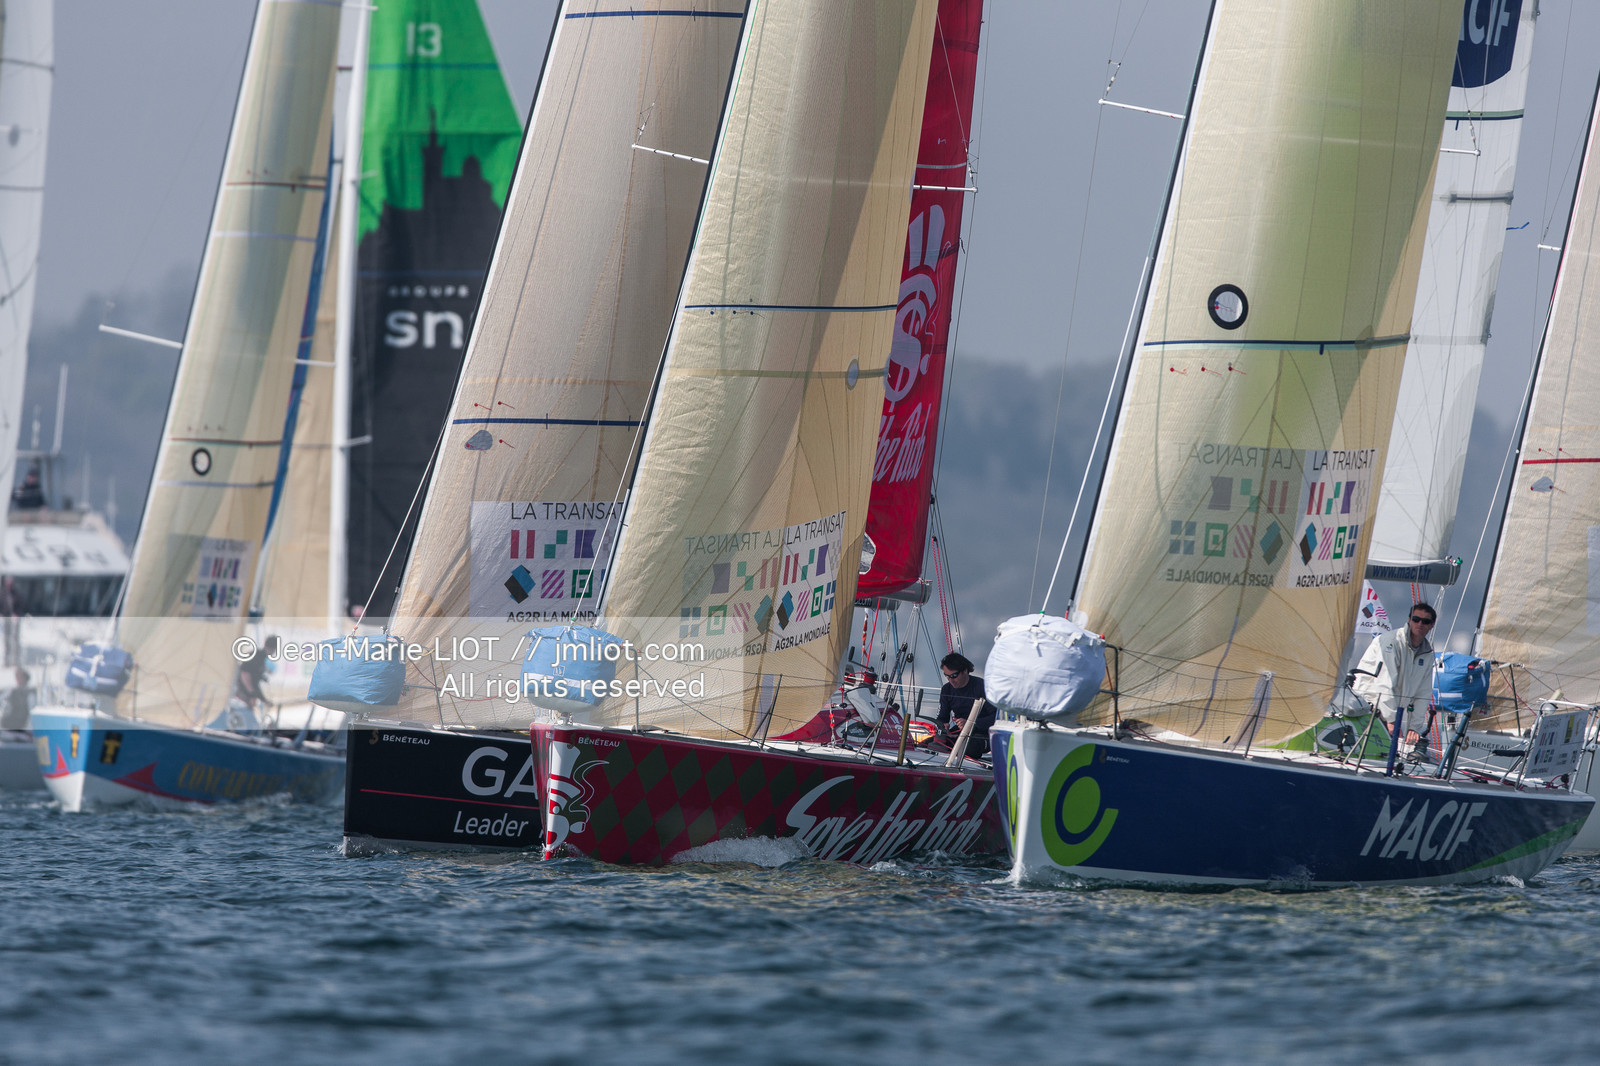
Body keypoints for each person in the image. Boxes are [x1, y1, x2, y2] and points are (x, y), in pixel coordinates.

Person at [1350, 602, 1437, 756]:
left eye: (1425, 621)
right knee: (1368, 755)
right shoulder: (1391, 642)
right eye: (1416, 619)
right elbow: (1385, 683)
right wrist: (1392, 721)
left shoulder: (1427, 654)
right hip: (1366, 705)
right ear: (1409, 620)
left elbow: (1423, 693)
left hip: (1389, 712)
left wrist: (1413, 728)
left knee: (1395, 755)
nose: (1420, 624)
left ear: (1431, 625)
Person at [935, 652, 995, 758]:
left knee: (967, 749)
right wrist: (943, 727)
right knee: (929, 745)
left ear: (965, 671)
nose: (950, 680)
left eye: (954, 676)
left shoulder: (983, 687)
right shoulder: (947, 689)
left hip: (984, 735)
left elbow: (996, 717)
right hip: (960, 732)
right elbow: (942, 717)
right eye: (947, 676)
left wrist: (971, 723)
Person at [234, 635, 280, 709]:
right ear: (273, 649)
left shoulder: (262, 658)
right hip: (242, 693)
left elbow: (255, 680)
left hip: (248, 693)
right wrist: (251, 693)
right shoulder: (256, 656)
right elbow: (244, 673)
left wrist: (264, 700)